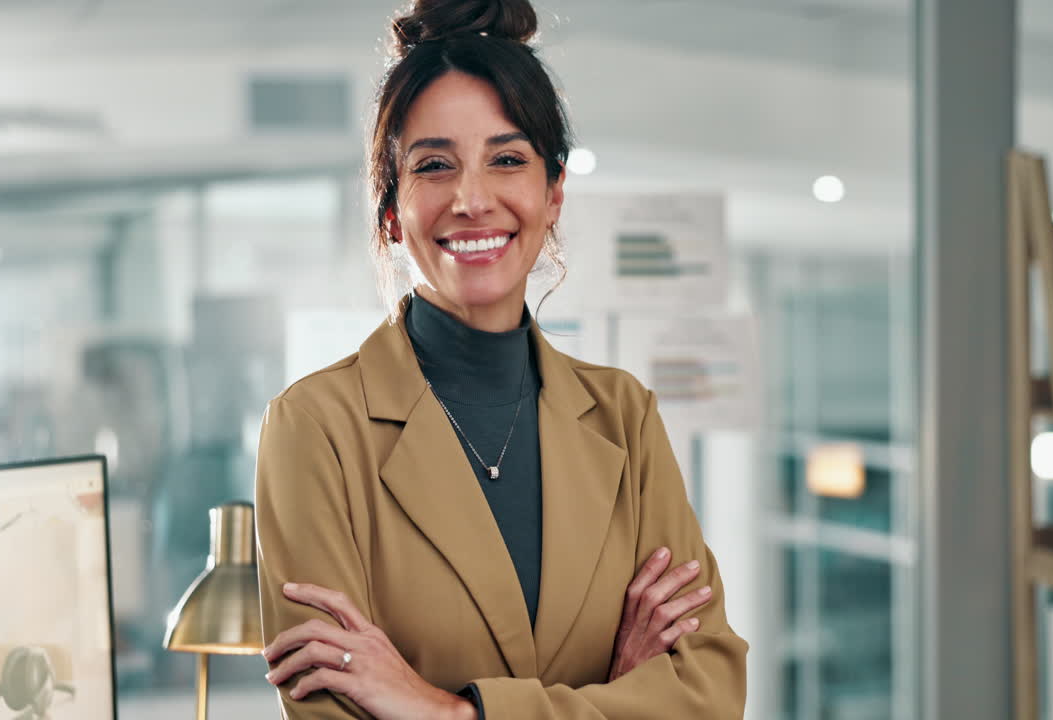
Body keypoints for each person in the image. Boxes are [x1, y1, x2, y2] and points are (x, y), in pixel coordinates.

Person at [254, 0, 749, 717]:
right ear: (391, 213)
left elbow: (708, 693)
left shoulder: (623, 416)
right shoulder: (316, 429)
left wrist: (450, 710)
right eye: (434, 166)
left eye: (508, 160)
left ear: (553, 195)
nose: (472, 199)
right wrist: (616, 698)